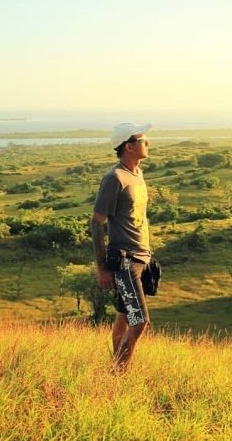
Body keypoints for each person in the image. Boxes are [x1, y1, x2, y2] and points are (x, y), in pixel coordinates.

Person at [91, 122, 153, 372]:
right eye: (142, 139)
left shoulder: (137, 174)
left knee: (124, 315)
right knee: (140, 321)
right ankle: (119, 372)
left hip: (141, 256)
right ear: (129, 146)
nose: (147, 142)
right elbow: (96, 222)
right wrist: (103, 267)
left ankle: (115, 366)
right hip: (125, 260)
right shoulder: (114, 178)